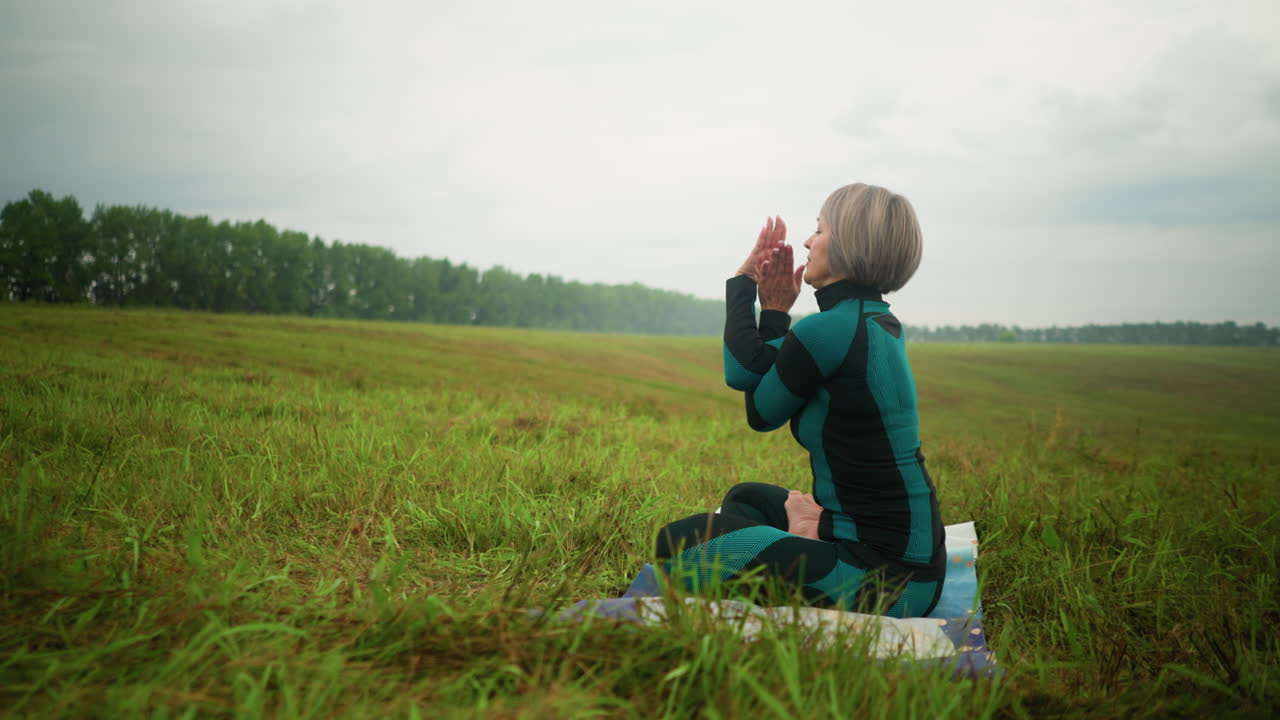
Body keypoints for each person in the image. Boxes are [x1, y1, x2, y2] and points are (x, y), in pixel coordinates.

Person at [653, 183, 946, 618]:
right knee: (747, 498)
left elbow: (757, 404)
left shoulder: (826, 330)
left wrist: (748, 285)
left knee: (679, 545)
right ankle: (815, 535)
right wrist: (773, 313)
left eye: (820, 230)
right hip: (911, 563)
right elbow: (762, 370)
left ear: (850, 245)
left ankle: (814, 543)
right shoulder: (876, 321)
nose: (808, 242)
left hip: (887, 585)